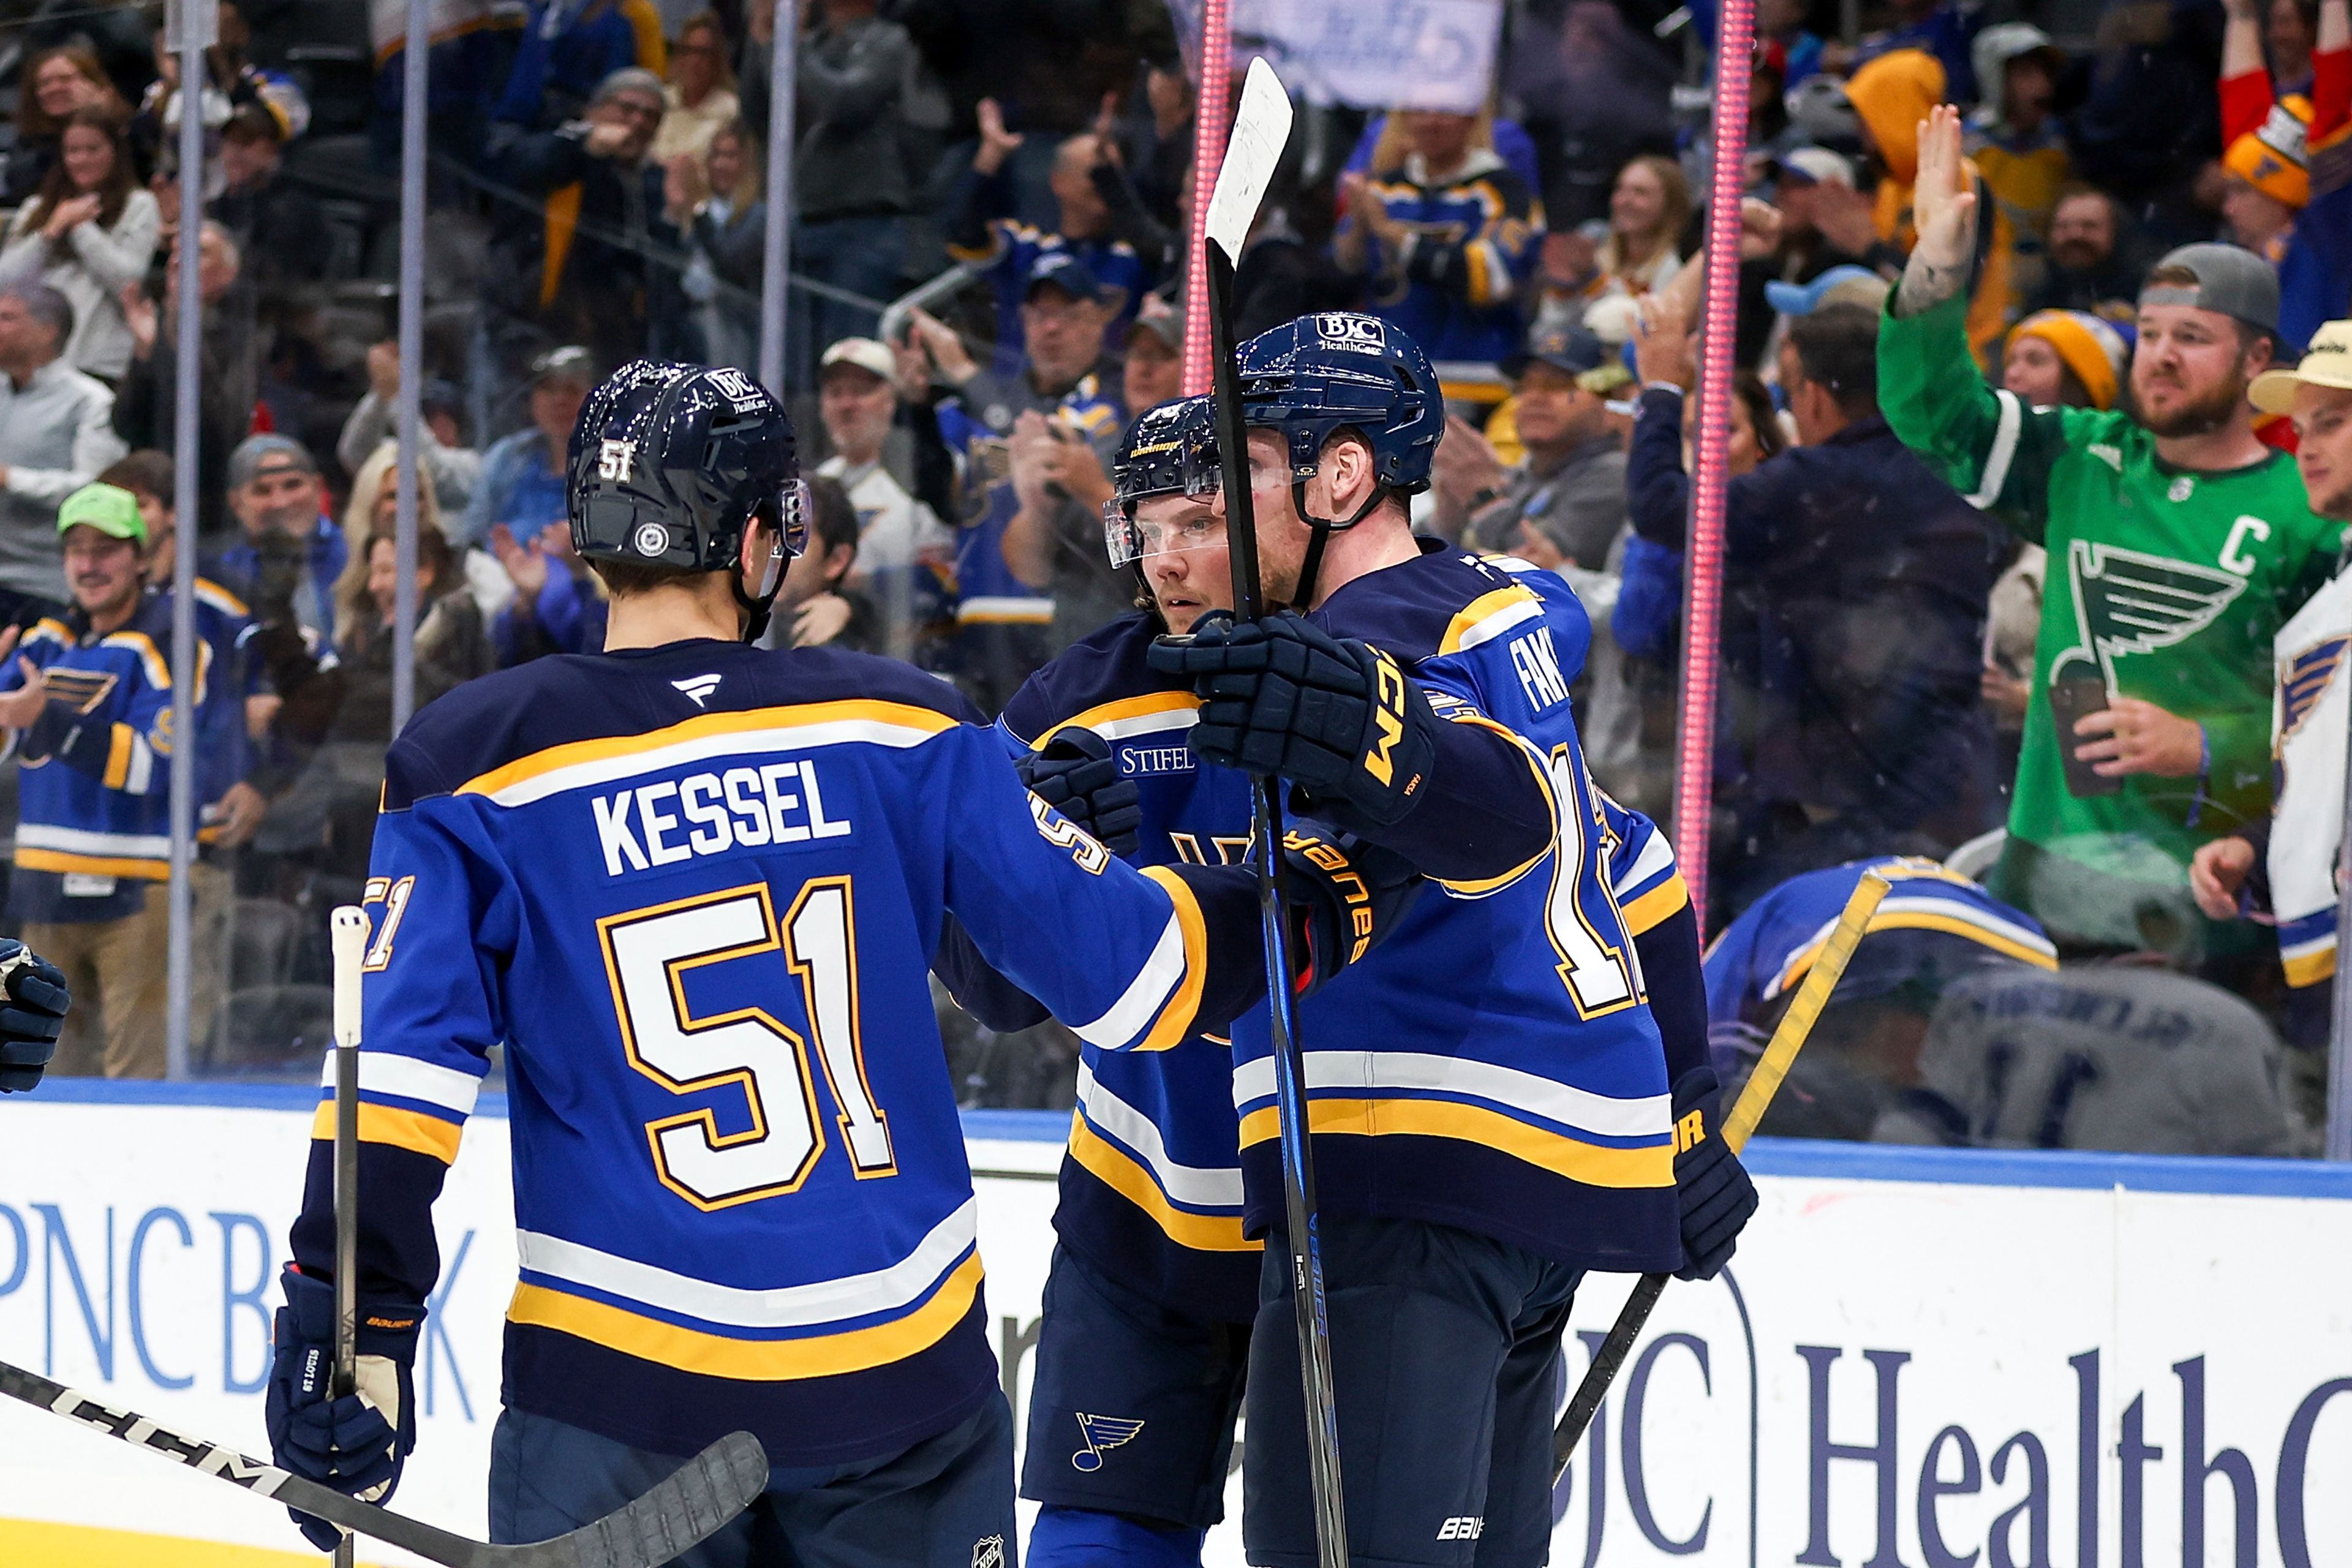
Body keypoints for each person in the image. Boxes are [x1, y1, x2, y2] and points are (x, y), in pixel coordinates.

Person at [260, 358, 1400, 1562]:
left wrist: (352, 1327)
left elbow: (397, 1083)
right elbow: (1141, 977)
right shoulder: (902, 723)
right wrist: (1343, 889)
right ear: (759, 538)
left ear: (588, 532)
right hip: (896, 1395)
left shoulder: (473, 757)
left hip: (616, 1402)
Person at [1144, 312, 1755, 1566]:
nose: (1216, 495)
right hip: (1545, 1188)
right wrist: (1685, 1110)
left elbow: (1491, 817)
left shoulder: (1372, 639)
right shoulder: (1490, 603)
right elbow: (1639, 869)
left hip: (1407, 1167)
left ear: (1345, 475)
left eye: (1248, 465)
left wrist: (1380, 741)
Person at [1880, 105, 2343, 957]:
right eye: (2152, 334)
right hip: (2039, 877)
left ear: (2256, 362)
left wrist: (2208, 744)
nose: (2160, 355)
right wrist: (1938, 269)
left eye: (2194, 339)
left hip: (2203, 902)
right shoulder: (2083, 460)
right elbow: (1933, 414)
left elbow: (2335, 721)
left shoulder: (2308, 513)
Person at [1631, 295, 2005, 914]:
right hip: (1947, 783)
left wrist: (1663, 391)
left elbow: (1662, 507)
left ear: (1815, 396)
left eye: (1789, 387)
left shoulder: (1818, 483)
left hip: (1842, 807)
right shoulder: (1951, 475)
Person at [2192, 316, 2352, 1050]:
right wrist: (2259, 849)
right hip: (2325, 977)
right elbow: (2329, 775)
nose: (2306, 445)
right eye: (2301, 426)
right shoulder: (2334, 597)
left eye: (2335, 421)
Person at [0, 483, 179, 1079]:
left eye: (105, 547)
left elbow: (157, 768)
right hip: (43, 886)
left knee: (138, 1073)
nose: (88, 562)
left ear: (140, 556)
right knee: (38, 1073)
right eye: (76, 547)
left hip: (137, 889)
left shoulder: (166, 641)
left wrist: (42, 719)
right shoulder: (42, 640)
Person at [493, 68, 680, 376]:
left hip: (613, 329)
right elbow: (519, 168)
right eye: (627, 108)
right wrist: (586, 147)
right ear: (594, 110)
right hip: (531, 312)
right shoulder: (562, 147)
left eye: (651, 116)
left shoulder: (652, 181)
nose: (638, 122)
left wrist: (676, 211)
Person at [946, 99, 1153, 362]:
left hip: (1103, 395)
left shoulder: (1137, 258)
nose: (1103, 184)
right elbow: (961, 232)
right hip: (1017, 394)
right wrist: (990, 156)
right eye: (1095, 173)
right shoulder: (1027, 246)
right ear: (1058, 181)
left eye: (1112, 174)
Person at [1333, 108, 1544, 364]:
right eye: (1420, 112)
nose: (1430, 124)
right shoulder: (1383, 188)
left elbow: (1493, 279)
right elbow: (1348, 271)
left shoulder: (1507, 192)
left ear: (1471, 118)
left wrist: (1393, 234)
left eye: (1444, 112)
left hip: (1476, 371)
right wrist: (1357, 224)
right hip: (1389, 367)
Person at [1845, 49, 2013, 363]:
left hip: (1962, 359)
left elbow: (1947, 291)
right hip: (1907, 354)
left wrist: (1869, 248)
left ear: (1894, 113)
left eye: (1868, 119)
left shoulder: (1959, 177)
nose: (1861, 135)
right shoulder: (1891, 188)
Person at [790, 0, 925, 374]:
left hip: (864, 223)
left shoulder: (889, 40)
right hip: (806, 219)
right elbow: (760, 111)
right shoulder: (812, 44)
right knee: (799, 368)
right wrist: (761, 39)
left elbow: (845, 103)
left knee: (854, 363)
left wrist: (791, 45)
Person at [1431, 322, 1629, 563]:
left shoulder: (1615, 475)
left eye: (1557, 386)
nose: (1534, 398)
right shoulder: (1524, 474)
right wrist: (1449, 515)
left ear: (1608, 401)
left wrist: (1483, 497)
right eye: (1524, 387)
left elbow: (1543, 566)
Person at [0, 107, 158, 386]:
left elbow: (128, 281)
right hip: (37, 361)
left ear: (115, 152)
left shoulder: (139, 206)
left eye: (92, 149)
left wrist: (81, 229)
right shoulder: (36, 208)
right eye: (72, 151)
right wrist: (50, 233)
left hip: (101, 363)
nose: (81, 159)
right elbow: (7, 279)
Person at [0, 282, 127, 619]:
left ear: (47, 332)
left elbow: (96, 489)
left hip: (44, 586)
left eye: (6, 318)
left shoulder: (90, 402)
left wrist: (11, 479)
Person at [1964, 26, 2072, 317]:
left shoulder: (2057, 147)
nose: (2042, 88)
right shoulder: (1968, 148)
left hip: (2046, 288)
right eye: (2026, 75)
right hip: (1983, 290)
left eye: (2045, 75)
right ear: (1995, 78)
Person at [206, 435, 348, 643]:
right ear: (236, 504)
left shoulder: (357, 555)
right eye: (262, 491)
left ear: (319, 487)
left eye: (293, 485)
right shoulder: (225, 576)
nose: (280, 502)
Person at [466, 346, 595, 549]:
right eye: (548, 389)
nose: (560, 400)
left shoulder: (617, 463)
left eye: (572, 390)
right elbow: (473, 536)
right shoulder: (507, 456)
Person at [337, 342, 481, 518]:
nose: (439, 427)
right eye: (429, 418)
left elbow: (432, 470)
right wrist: (382, 392)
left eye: (447, 419)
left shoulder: (472, 465)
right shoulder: (396, 452)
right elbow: (355, 453)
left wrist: (398, 397)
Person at [675, 118, 764, 372]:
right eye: (715, 155)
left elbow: (731, 263)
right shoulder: (703, 206)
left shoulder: (758, 215)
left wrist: (698, 214)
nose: (721, 165)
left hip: (734, 324)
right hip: (693, 320)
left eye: (731, 156)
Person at [493, 0, 666, 132]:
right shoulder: (540, 7)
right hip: (515, 114)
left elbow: (652, 84)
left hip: (591, 123)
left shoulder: (635, 12)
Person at [2, 47, 125, 210]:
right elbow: (22, 180)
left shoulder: (122, 127)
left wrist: (97, 118)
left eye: (65, 79)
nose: (54, 88)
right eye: (44, 83)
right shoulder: (31, 139)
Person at [775, 473, 879, 652]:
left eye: (792, 540)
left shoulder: (846, 644)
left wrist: (851, 610)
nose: (773, 553)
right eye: (766, 536)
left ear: (836, 561)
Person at [2025, 186, 2143, 318]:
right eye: (2063, 227)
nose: (2075, 235)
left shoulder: (2144, 292)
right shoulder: (2038, 296)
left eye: (2089, 226)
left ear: (2116, 233)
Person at [647, 9, 737, 173]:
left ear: (717, 59)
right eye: (689, 51)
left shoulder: (730, 110)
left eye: (704, 53)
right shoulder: (660, 100)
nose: (696, 61)